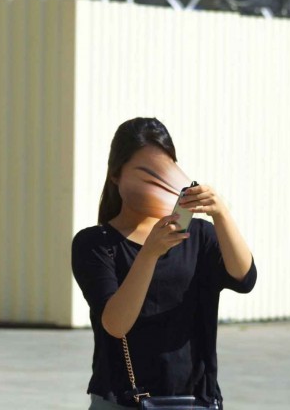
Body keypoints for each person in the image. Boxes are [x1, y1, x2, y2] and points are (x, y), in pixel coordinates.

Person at [71, 117, 256, 410]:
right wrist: (149, 254)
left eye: (164, 172)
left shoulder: (199, 236)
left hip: (196, 400)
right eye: (146, 173)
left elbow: (244, 278)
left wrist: (221, 214)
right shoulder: (96, 243)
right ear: (117, 175)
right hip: (123, 400)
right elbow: (116, 324)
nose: (158, 182)